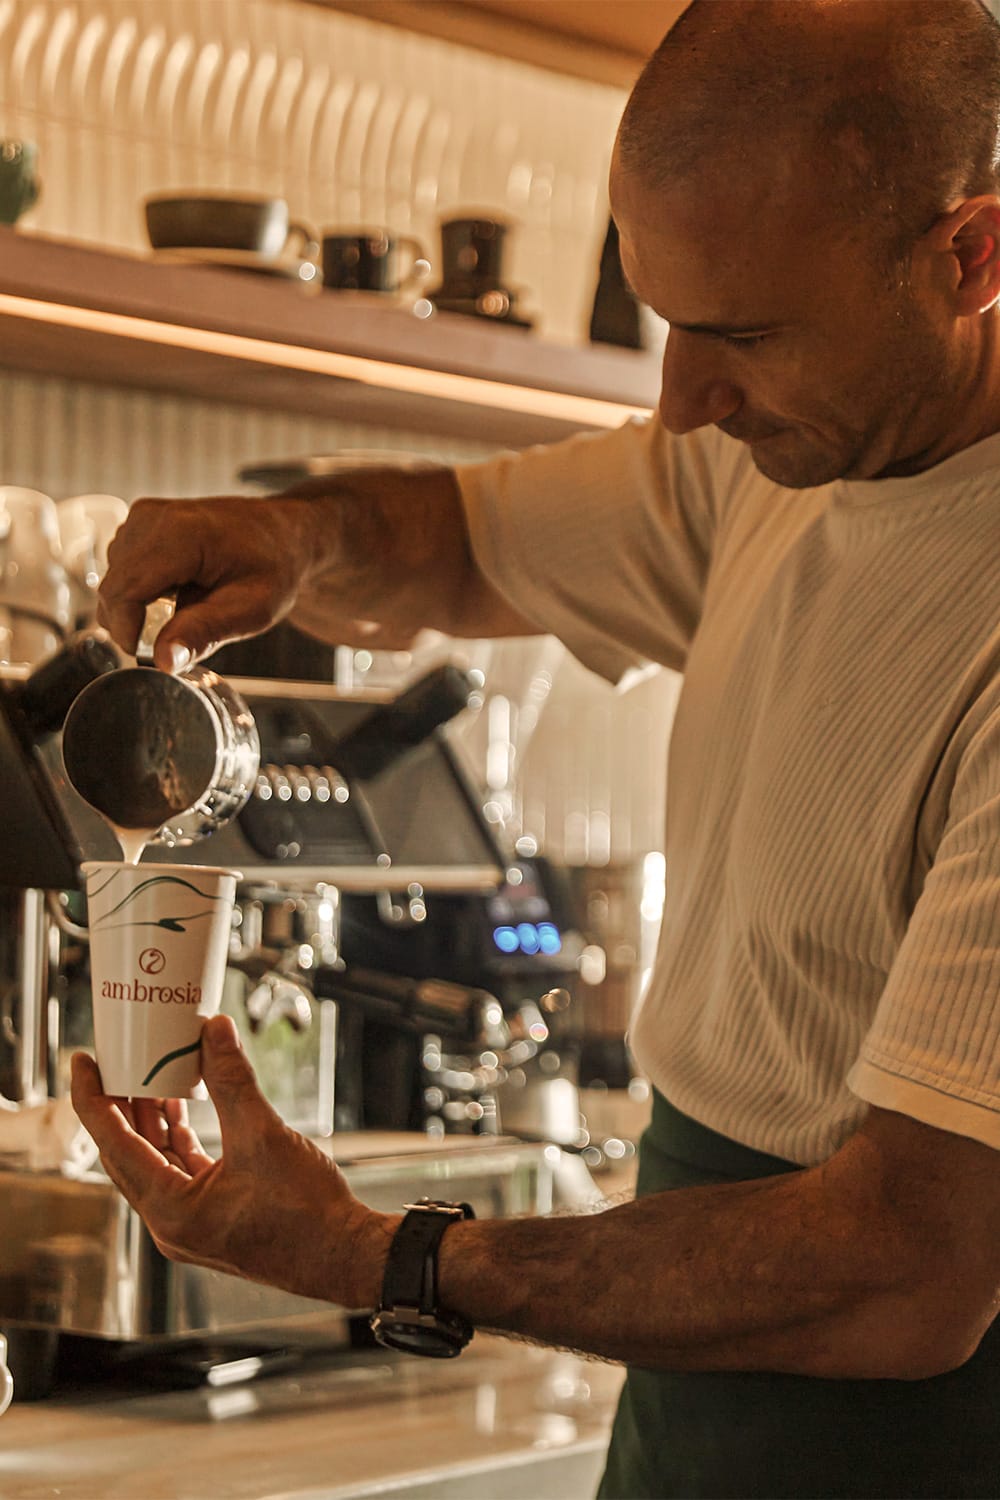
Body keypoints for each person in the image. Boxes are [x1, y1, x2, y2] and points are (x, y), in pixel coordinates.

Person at [71, 1, 1000, 1495]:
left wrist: (380, 1253)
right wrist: (292, 540)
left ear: (970, 256)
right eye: (663, 320)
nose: (680, 400)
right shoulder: (778, 453)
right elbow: (461, 542)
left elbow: (907, 1268)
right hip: (691, 1407)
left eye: (743, 334)